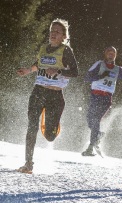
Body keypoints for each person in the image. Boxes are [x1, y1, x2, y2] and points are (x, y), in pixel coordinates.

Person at [16, 18, 78, 173]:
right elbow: (39, 64)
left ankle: (51, 125)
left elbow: (75, 72)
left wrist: (58, 71)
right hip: (38, 91)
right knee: (32, 126)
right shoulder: (43, 48)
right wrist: (28, 70)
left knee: (50, 136)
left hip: (55, 96)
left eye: (57, 31)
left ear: (64, 36)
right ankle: (28, 163)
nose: (53, 34)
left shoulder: (66, 50)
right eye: (52, 31)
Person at [82, 46, 122, 156]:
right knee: (90, 120)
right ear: (105, 54)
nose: (111, 54)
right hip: (95, 96)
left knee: (95, 120)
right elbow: (87, 77)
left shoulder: (118, 69)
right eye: (109, 52)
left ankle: (90, 147)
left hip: (106, 98)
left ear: (115, 55)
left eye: (113, 52)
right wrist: (99, 76)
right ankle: (98, 135)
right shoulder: (99, 64)